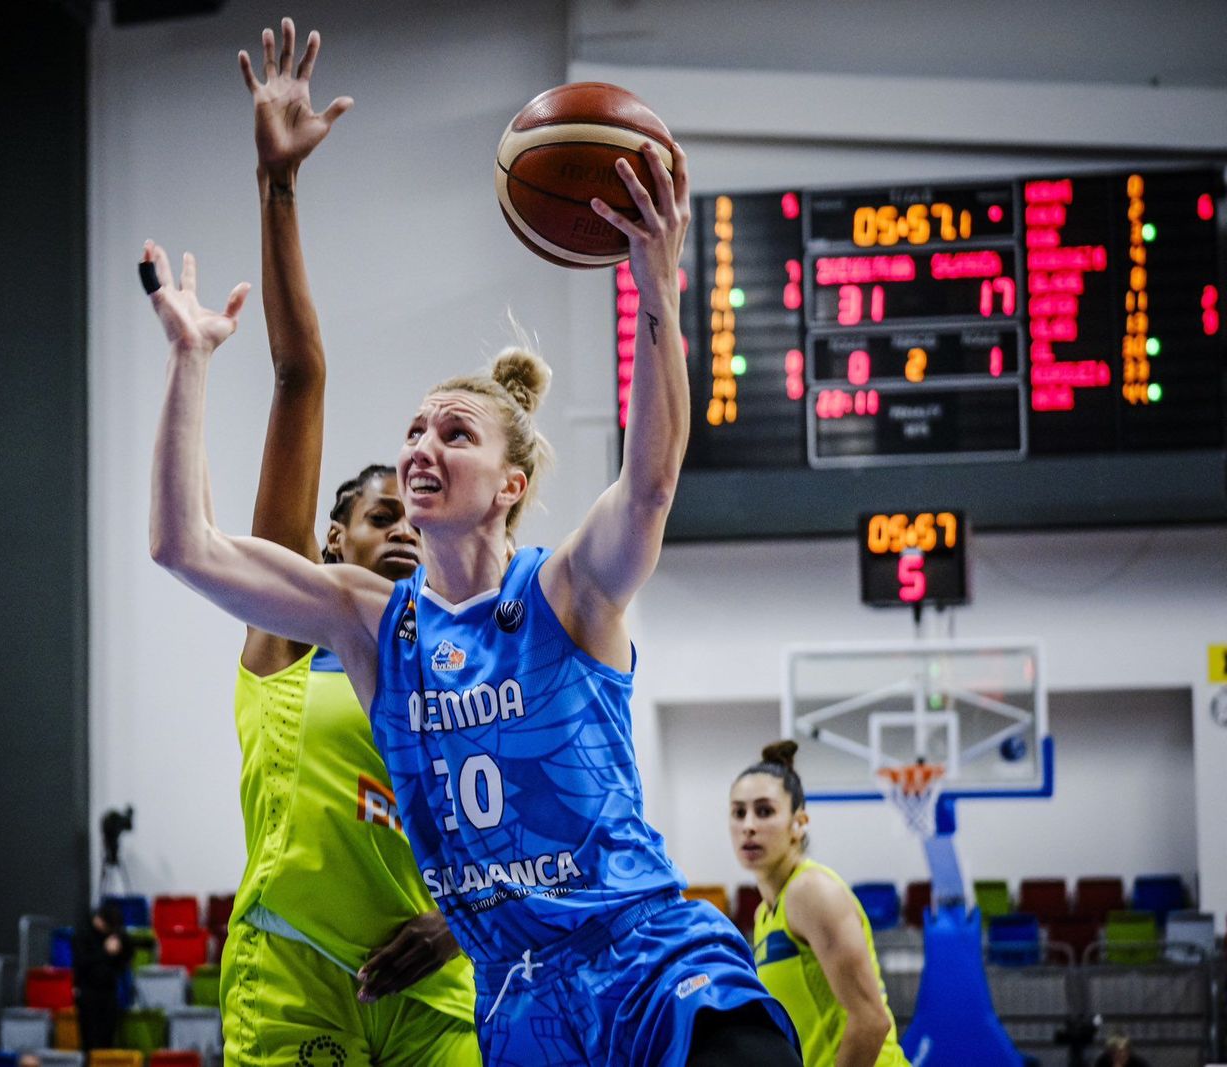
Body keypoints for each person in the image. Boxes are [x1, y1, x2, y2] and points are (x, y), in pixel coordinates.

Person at [141, 72, 798, 1064]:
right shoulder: (371, 624)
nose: (419, 445)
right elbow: (181, 545)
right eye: (411, 429)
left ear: (508, 485)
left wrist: (654, 283)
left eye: (453, 431)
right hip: (513, 989)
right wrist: (189, 359)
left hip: (634, 952)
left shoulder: (565, 590)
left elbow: (651, 483)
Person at [215, 18, 478, 1065]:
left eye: (418, 516)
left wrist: (459, 918)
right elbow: (298, 375)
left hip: (441, 986)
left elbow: (542, 833)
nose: (405, 531)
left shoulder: (475, 662)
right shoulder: (285, 637)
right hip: (292, 977)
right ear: (330, 538)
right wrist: (276, 188)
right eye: (381, 516)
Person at [729, 741, 908, 1067]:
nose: (748, 825)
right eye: (738, 812)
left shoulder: (811, 892)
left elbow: (871, 1020)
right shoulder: (765, 913)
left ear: (799, 823)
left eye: (764, 811)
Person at [73, 901, 133, 1051]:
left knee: (107, 1040)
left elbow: (126, 956)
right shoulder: (83, 935)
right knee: (90, 1041)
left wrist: (119, 947)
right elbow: (83, 963)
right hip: (88, 992)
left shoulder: (113, 936)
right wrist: (105, 952)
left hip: (109, 992)